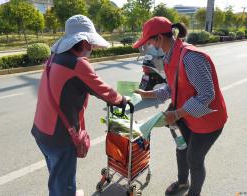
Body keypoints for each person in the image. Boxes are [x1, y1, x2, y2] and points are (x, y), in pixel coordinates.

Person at [31, 15, 126, 196]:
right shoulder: (77, 64)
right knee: (63, 184)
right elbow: (102, 90)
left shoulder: (54, 58)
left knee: (57, 175)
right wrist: (122, 100)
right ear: (83, 42)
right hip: (59, 136)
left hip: (41, 131)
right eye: (90, 42)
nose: (92, 47)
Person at [134, 16, 227, 196]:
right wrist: (149, 94)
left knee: (195, 159)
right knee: (181, 148)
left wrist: (177, 114)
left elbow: (207, 95)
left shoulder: (191, 58)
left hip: (208, 120)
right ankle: (183, 182)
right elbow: (173, 86)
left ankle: (194, 192)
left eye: (148, 42)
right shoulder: (171, 55)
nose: (147, 47)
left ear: (159, 39)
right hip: (186, 116)